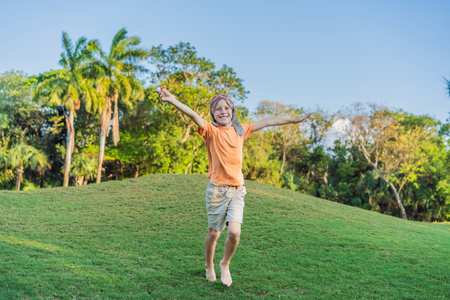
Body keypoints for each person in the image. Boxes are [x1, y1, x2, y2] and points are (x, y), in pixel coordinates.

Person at [157, 87, 310, 287]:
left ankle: (225, 263)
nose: (223, 112)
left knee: (234, 232)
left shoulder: (241, 131)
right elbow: (193, 114)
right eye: (218, 109)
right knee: (214, 233)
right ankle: (208, 264)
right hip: (217, 191)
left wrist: (294, 120)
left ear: (232, 111)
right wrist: (172, 99)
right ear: (213, 114)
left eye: (226, 108)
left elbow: (268, 122)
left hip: (238, 190)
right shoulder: (211, 131)